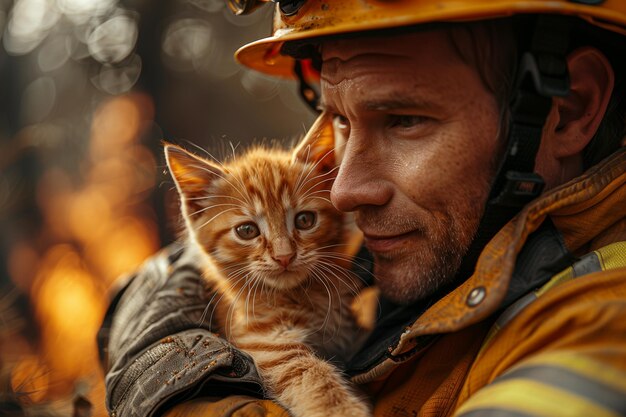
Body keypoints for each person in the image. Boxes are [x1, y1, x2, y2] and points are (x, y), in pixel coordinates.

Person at [97, 1, 626, 416]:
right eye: (341, 123)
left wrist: (183, 396)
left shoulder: (600, 327)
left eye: (404, 120)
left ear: (568, 109)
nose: (344, 189)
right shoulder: (414, 272)